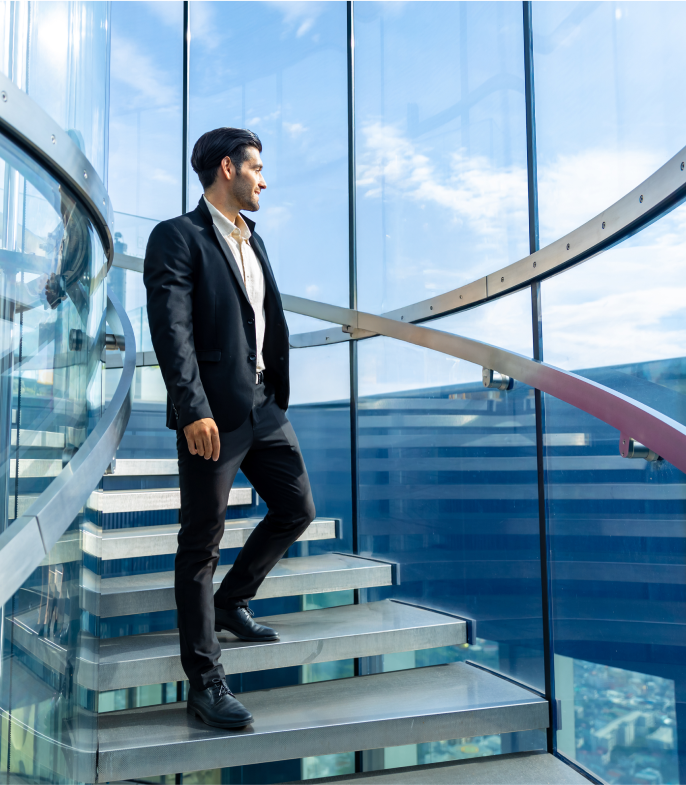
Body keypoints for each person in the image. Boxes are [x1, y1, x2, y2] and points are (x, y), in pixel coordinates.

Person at [144, 127, 315, 730]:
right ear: (227, 168)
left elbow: (259, 319)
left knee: (297, 507)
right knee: (201, 542)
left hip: (265, 404)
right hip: (211, 413)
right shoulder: (178, 236)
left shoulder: (254, 238)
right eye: (257, 168)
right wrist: (192, 408)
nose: (264, 179)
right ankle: (204, 680)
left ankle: (232, 599)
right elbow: (172, 328)